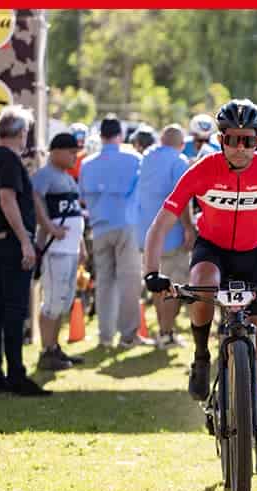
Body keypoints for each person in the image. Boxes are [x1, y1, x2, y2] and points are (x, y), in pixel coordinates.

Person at [143, 99, 257, 478]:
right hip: (212, 250)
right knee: (203, 283)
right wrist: (151, 273)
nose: (240, 148)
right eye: (232, 139)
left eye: (248, 140)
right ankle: (200, 355)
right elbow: (161, 224)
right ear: (221, 139)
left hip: (252, 256)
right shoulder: (202, 169)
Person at [0, 105, 65, 396]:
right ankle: (15, 376)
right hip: (9, 243)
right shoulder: (7, 159)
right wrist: (25, 241)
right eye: (26, 131)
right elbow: (7, 200)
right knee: (13, 311)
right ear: (20, 132)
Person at [79, 117, 150, 349]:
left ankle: (105, 335)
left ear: (100, 135)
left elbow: (83, 197)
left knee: (105, 281)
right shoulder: (134, 159)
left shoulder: (87, 163)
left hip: (99, 227)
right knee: (129, 281)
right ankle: (128, 335)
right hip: (127, 225)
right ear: (120, 135)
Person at [33, 133, 87, 370]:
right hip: (55, 249)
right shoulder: (45, 175)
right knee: (53, 301)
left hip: (70, 249)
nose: (75, 157)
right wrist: (48, 227)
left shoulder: (66, 177)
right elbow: (34, 199)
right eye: (71, 152)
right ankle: (46, 351)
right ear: (55, 152)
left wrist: (81, 245)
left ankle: (54, 348)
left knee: (63, 301)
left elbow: (74, 212)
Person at [137, 125, 192, 349]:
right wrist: (189, 228)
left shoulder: (146, 157)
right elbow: (183, 197)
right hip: (171, 233)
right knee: (174, 287)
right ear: (181, 144)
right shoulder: (179, 161)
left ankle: (163, 332)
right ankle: (167, 334)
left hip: (144, 232)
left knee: (158, 286)